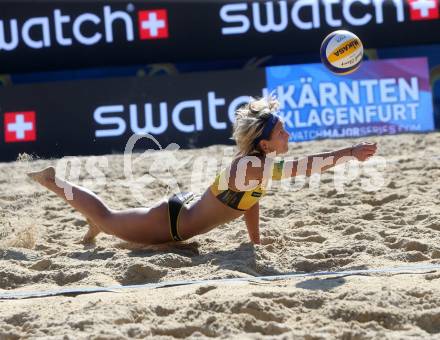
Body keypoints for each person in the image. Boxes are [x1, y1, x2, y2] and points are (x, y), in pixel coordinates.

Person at [28, 96, 377, 245]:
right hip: (172, 224)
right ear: (266, 143)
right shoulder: (253, 165)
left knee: (110, 220)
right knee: (107, 216)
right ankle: (53, 181)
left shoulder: (257, 167)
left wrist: (254, 242)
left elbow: (250, 201)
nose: (288, 135)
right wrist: (349, 151)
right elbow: (304, 167)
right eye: (282, 131)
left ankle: (94, 221)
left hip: (183, 214)